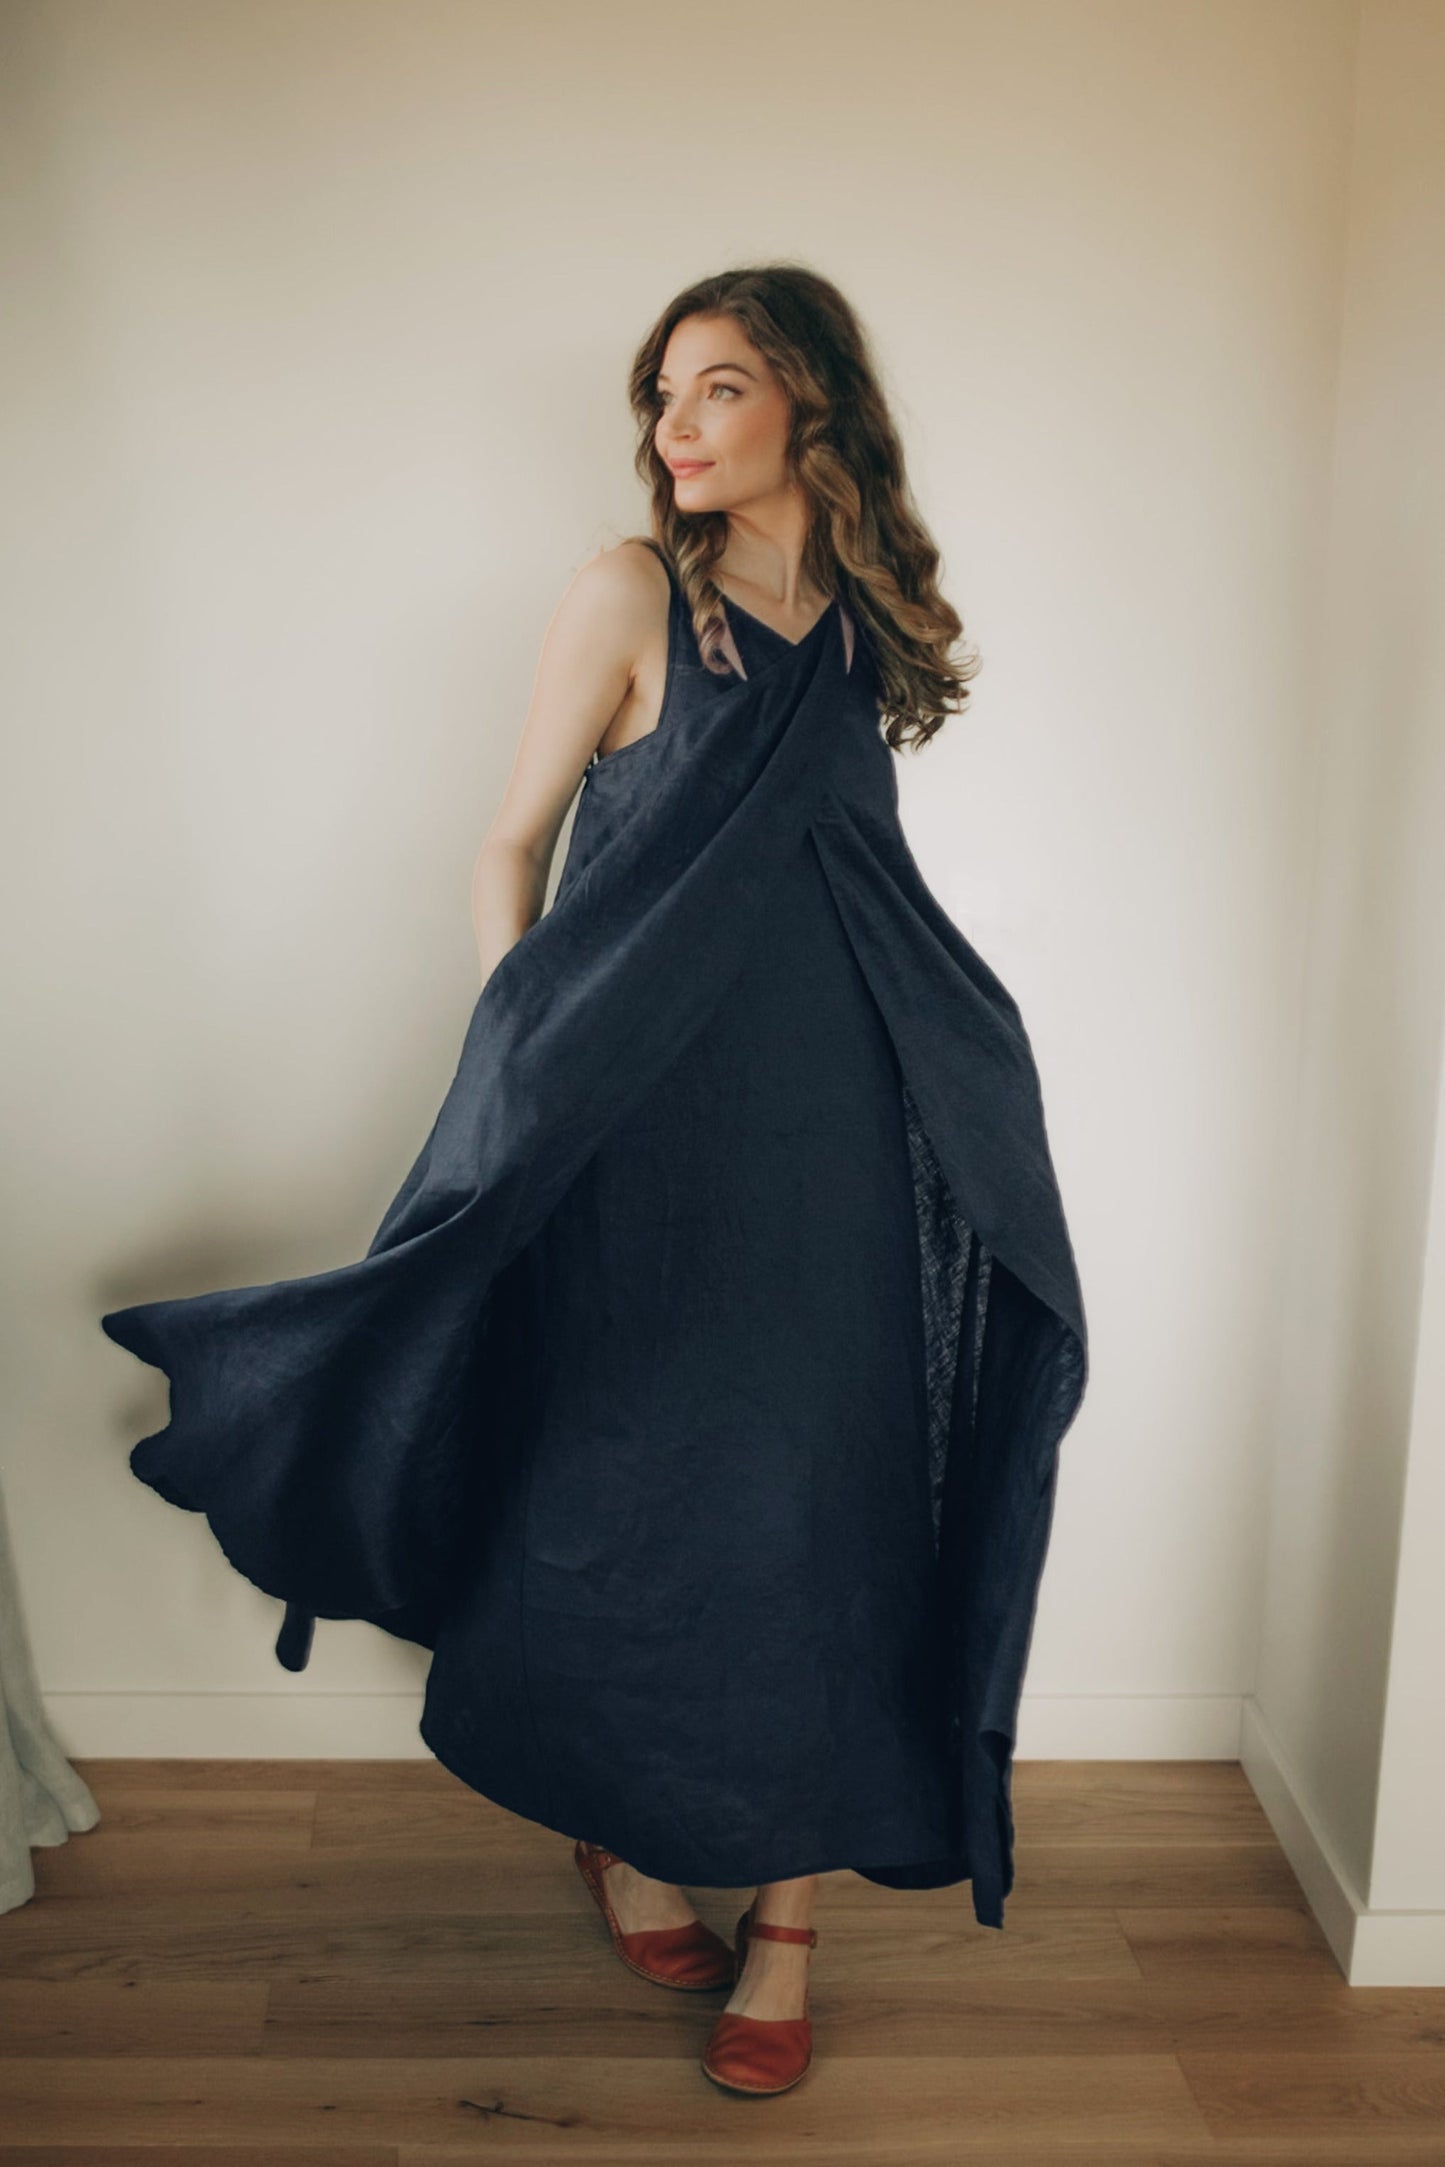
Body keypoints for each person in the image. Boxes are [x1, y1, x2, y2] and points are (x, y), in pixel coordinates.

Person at [101, 263, 1089, 2101]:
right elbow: (510, 839)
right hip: (628, 1127)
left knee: (824, 1509)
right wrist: (525, 1071)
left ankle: (783, 1922)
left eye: (718, 387)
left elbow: (849, 901)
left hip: (834, 1139)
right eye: (661, 394)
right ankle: (618, 1837)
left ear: (811, 402)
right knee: (611, 1491)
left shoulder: (861, 628)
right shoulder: (634, 593)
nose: (676, 426)